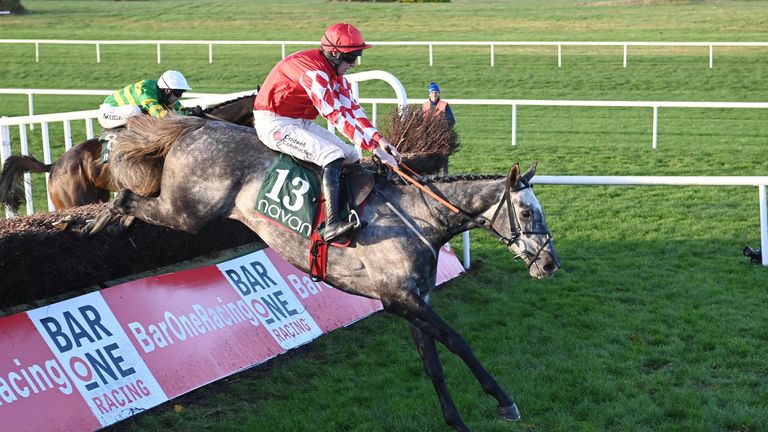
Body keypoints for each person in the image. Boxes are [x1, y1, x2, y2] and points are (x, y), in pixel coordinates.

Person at [253, 22, 401, 243]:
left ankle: (349, 209)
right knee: (331, 155)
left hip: (297, 121)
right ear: (334, 53)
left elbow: (352, 109)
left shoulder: (334, 72)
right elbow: (335, 115)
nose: (354, 64)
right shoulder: (315, 73)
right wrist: (372, 147)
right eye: (351, 58)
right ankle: (331, 224)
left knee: (351, 154)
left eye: (357, 57)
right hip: (274, 123)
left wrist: (380, 141)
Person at [97, 70, 193, 130]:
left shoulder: (164, 94)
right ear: (167, 90)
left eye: (182, 92)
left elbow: (179, 110)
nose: (180, 97)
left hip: (123, 113)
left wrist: (191, 112)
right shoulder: (146, 89)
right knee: (136, 111)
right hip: (107, 113)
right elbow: (160, 115)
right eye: (177, 93)